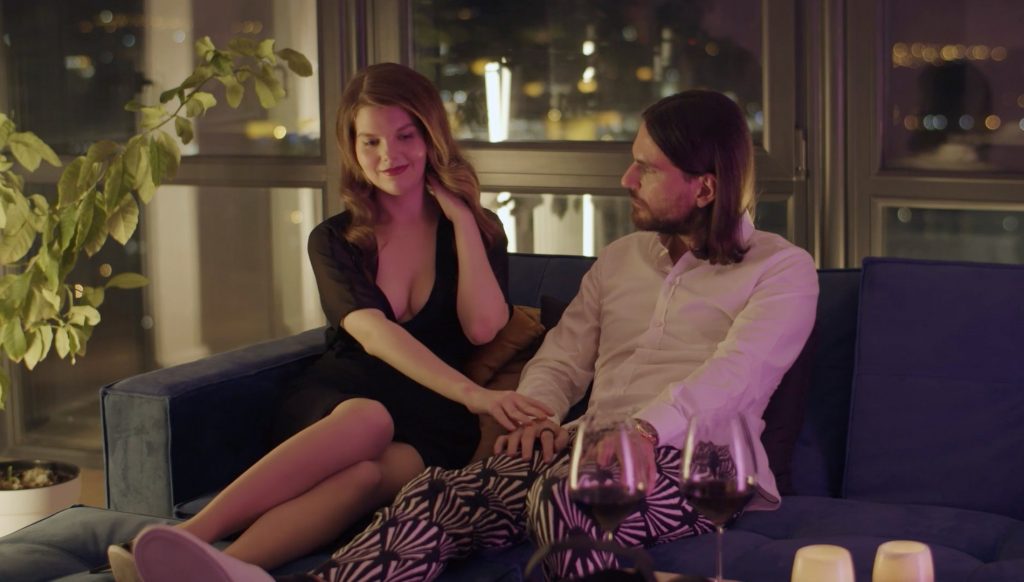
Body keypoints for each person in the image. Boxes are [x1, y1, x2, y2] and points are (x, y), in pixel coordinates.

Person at [128, 88, 819, 581]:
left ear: (705, 188)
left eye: (647, 168)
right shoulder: (620, 260)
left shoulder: (783, 271)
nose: (626, 178)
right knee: (435, 495)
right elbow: (566, 352)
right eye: (631, 159)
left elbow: (736, 376)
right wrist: (539, 412)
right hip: (580, 451)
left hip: (695, 467)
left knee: (568, 497)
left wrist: (640, 431)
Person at [105, 63, 551, 581]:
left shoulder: (477, 229)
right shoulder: (334, 239)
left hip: (433, 414)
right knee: (369, 419)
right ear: (352, 148)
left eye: (406, 136)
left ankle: (230, 569)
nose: (389, 155)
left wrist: (464, 220)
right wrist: (474, 395)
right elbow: (373, 334)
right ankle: (185, 537)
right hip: (342, 398)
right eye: (371, 141)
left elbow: (483, 328)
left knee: (365, 479)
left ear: (432, 136)